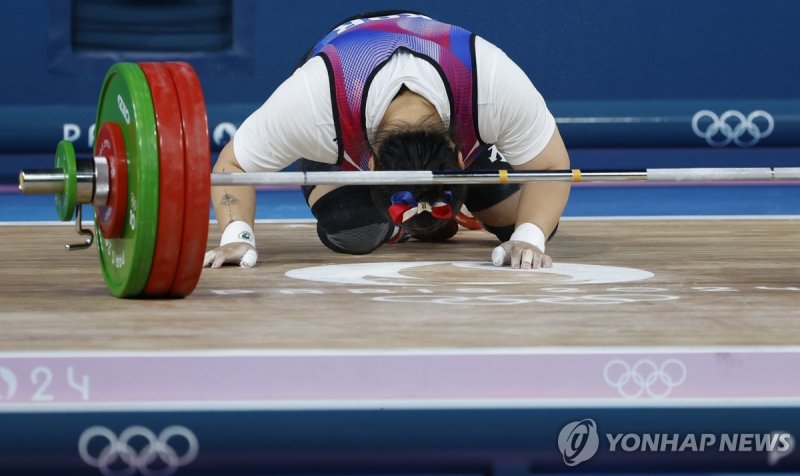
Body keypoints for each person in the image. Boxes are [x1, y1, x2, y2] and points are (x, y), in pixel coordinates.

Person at [203, 11, 570, 270]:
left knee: (525, 222)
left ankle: (446, 209)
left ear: (462, 159)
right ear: (370, 165)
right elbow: (232, 166)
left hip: (438, 73)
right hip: (343, 100)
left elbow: (552, 166)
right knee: (352, 231)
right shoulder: (312, 103)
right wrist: (237, 236)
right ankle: (416, 215)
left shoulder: (490, 81)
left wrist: (529, 236)